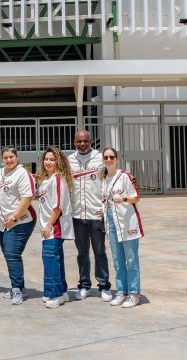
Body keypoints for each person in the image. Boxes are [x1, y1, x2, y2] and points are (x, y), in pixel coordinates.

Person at [0, 146, 36, 305]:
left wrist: (14, 218)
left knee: (12, 254)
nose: (9, 160)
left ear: (17, 157)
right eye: (6, 157)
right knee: (10, 255)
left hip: (20, 222)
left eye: (11, 157)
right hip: (2, 224)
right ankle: (19, 287)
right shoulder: (0, 173)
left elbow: (27, 198)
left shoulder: (22, 173)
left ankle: (17, 290)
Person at [68, 129, 112, 301]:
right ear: (74, 141)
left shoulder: (100, 158)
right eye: (79, 141)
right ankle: (84, 285)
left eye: (85, 141)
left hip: (96, 213)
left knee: (99, 251)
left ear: (91, 141)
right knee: (82, 252)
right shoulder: (69, 160)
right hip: (77, 214)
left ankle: (104, 286)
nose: (82, 144)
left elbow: (112, 177)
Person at [101, 147, 144, 308]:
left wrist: (124, 198)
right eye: (106, 157)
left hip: (127, 222)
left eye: (112, 157)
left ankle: (134, 293)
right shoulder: (104, 179)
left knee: (131, 259)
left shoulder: (124, 176)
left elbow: (136, 198)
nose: (109, 159)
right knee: (118, 260)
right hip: (111, 222)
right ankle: (121, 291)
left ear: (117, 159)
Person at [35, 146, 74, 309]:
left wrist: (49, 224)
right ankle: (62, 291)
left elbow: (58, 207)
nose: (48, 162)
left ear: (59, 162)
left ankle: (54, 294)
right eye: (46, 159)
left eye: (52, 159)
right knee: (56, 259)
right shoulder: (46, 179)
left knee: (50, 259)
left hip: (54, 227)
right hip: (47, 226)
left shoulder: (58, 179)